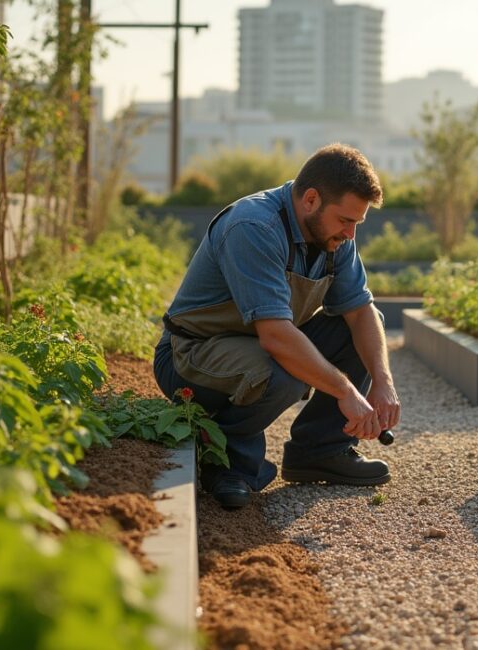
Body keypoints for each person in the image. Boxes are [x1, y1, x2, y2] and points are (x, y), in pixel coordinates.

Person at [153, 144, 400, 510]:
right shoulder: (254, 226)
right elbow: (276, 337)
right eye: (346, 220)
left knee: (365, 326)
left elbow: (361, 312)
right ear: (311, 199)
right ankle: (225, 462)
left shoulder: (335, 236)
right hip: (191, 355)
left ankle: (319, 452)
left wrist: (383, 381)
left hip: (256, 346)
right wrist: (345, 391)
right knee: (282, 372)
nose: (350, 234)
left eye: (356, 224)